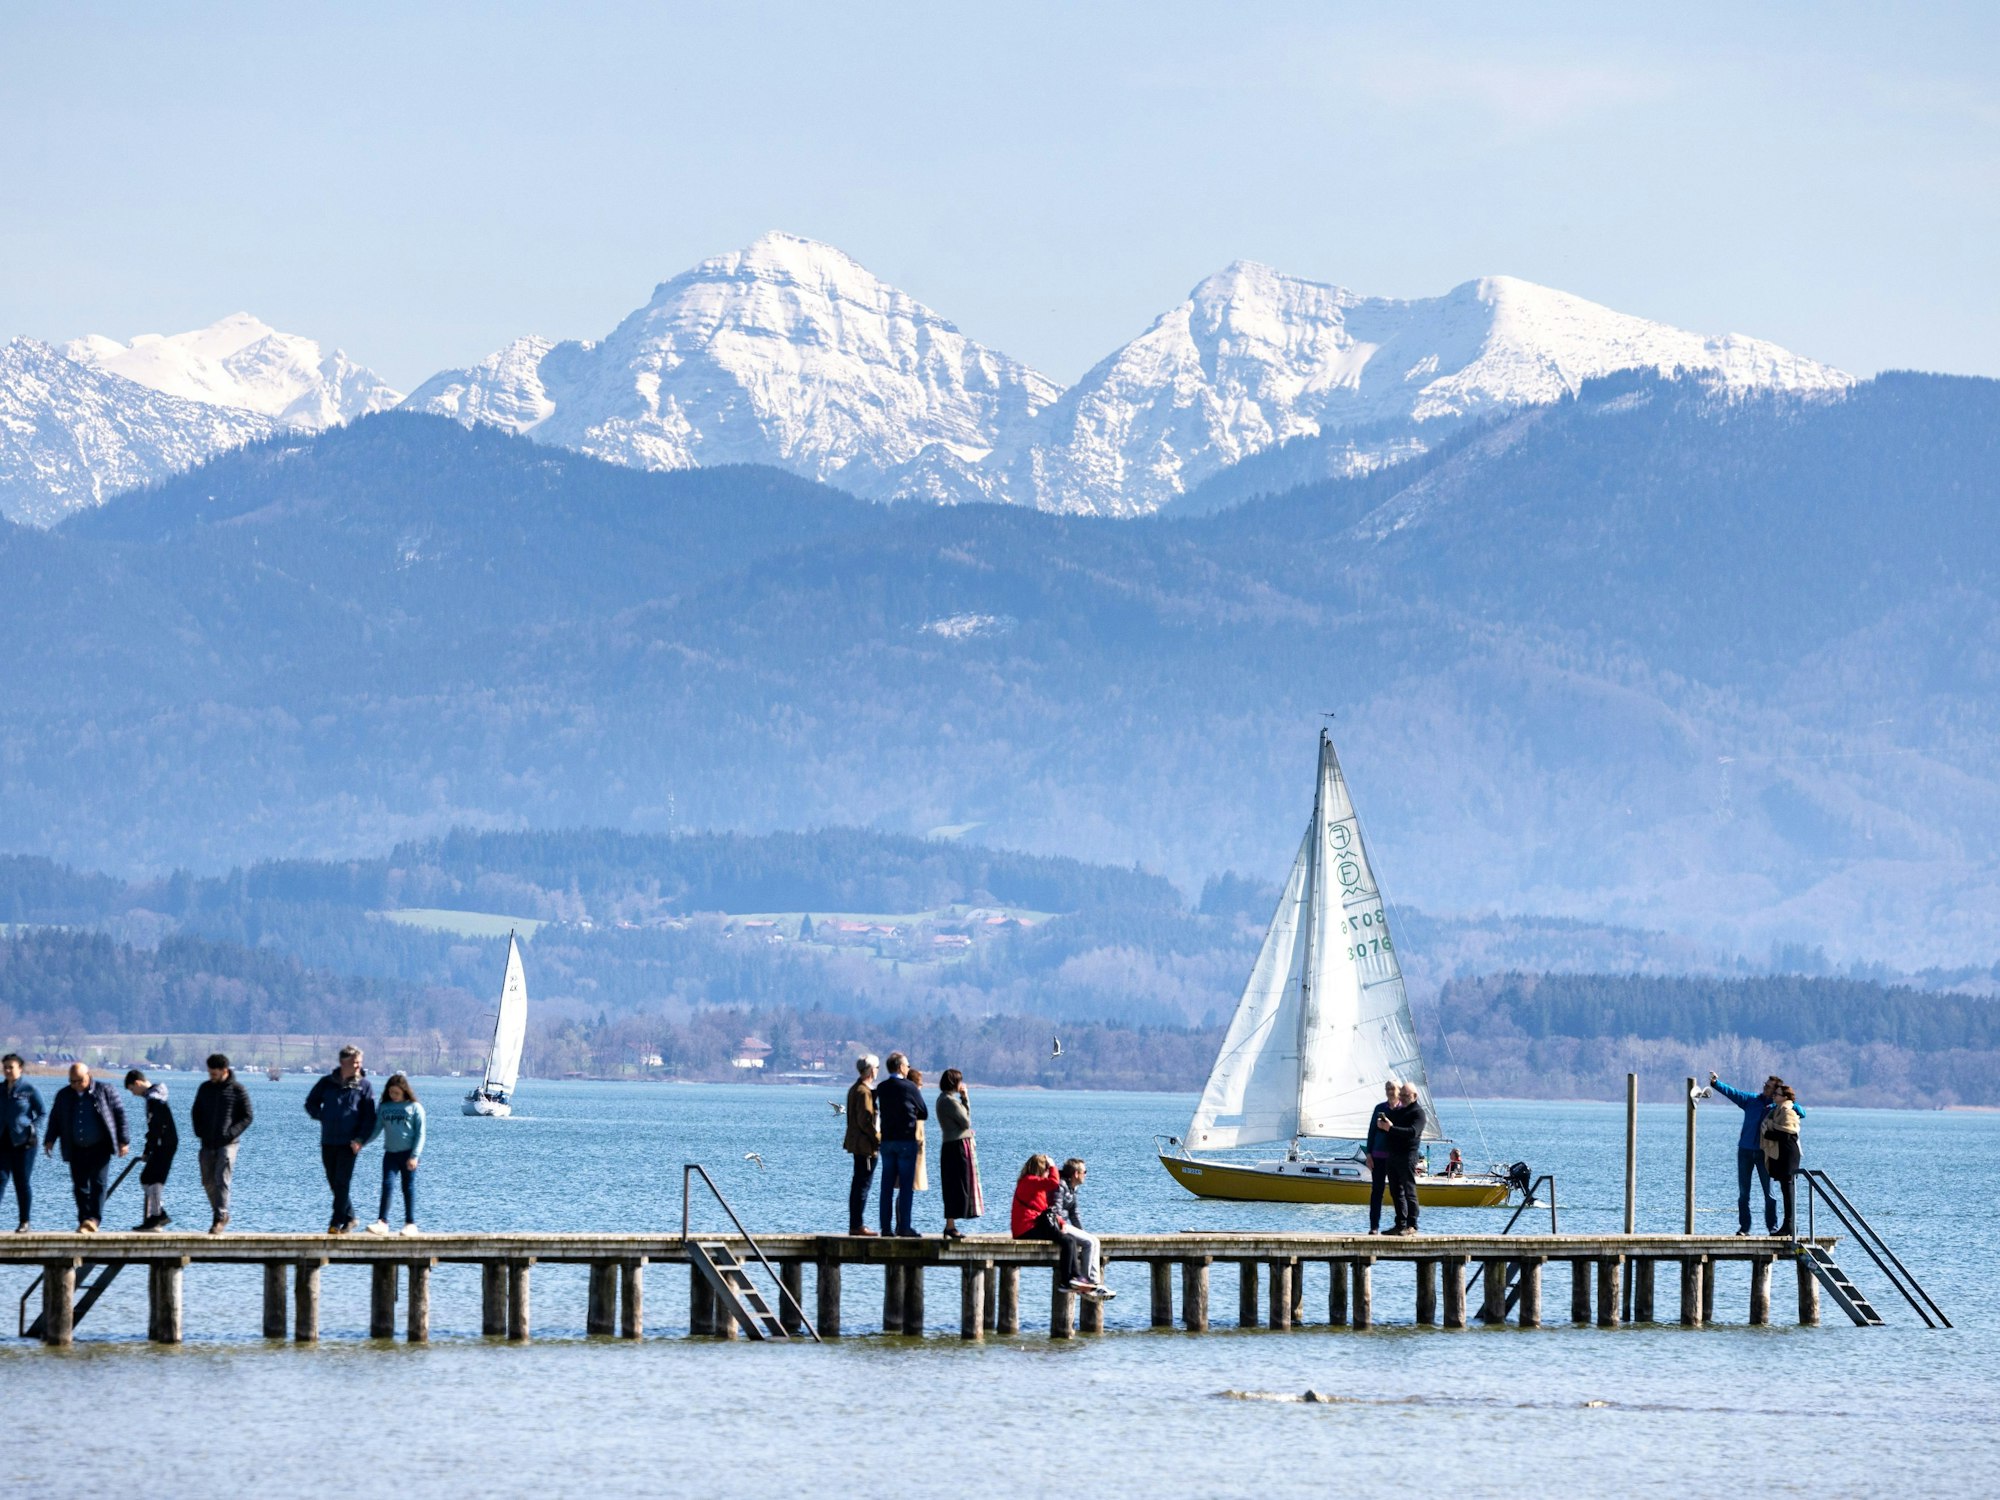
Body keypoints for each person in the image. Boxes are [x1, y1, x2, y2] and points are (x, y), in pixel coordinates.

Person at [1709, 1072, 1806, 1236]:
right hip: (1745, 1151)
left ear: (1776, 1091)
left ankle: (1773, 1227)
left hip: (1765, 1153)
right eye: (1765, 1085)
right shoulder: (1751, 1100)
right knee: (1743, 1193)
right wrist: (1716, 1084)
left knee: (1770, 1194)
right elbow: (1733, 1093)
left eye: (1768, 1087)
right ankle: (1744, 1228)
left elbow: (1801, 1113)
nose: (1764, 1088)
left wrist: (1788, 1101)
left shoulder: (1778, 1107)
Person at [41, 1062, 128, 1232]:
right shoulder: (64, 1095)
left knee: (98, 1183)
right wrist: (49, 1139)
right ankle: (83, 1220)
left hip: (100, 1146)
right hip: (76, 1147)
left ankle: (94, 1219)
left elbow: (120, 1114)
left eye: (79, 1081)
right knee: (80, 1186)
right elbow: (55, 1119)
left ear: (88, 1076)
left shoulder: (105, 1090)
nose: (75, 1085)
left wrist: (123, 1140)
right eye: (72, 1081)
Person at [304, 1045, 377, 1233]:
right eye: (354, 1062)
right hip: (328, 1140)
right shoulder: (326, 1083)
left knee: (342, 1182)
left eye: (360, 1062)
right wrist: (322, 1116)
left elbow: (370, 1118)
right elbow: (310, 1103)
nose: (358, 1066)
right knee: (333, 1182)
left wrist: (360, 1139)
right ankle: (351, 1217)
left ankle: (335, 1223)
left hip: (350, 1143)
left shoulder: (364, 1086)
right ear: (343, 1062)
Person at [1010, 1152, 1096, 1297]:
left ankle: (1074, 1278)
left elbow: (1044, 1209)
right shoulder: (1029, 1181)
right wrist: (1053, 1166)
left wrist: (1061, 1222)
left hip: (1032, 1226)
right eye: (1047, 1169)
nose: (1049, 1172)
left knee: (1069, 1239)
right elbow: (1053, 1183)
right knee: (1068, 1241)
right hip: (1026, 1229)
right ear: (1041, 1169)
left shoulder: (1033, 1184)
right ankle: (1067, 1280)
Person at [190, 1052, 254, 1234]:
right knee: (207, 1181)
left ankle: (219, 1217)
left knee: (222, 1179)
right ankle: (220, 1213)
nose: (211, 1077)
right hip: (206, 1142)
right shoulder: (204, 1088)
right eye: (209, 1073)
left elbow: (247, 1116)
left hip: (228, 1143)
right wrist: (199, 1131)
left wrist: (231, 1133)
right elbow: (196, 1112)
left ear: (224, 1070)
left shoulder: (238, 1090)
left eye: (214, 1074)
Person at [873, 1052, 927, 1237]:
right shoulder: (910, 1087)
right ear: (900, 1067)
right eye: (907, 1065)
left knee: (886, 1187)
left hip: (887, 1141)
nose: (908, 1068)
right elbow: (924, 1111)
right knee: (905, 1186)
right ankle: (904, 1226)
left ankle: (886, 1228)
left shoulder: (882, 1087)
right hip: (906, 1140)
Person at [365, 1073, 426, 1236]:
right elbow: (376, 1129)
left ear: (404, 1091)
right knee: (387, 1185)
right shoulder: (384, 1107)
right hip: (390, 1154)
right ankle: (382, 1222)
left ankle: (410, 1223)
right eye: (391, 1092)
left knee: (408, 1187)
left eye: (397, 1093)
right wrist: (360, 1142)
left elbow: (421, 1134)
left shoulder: (415, 1107)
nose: (394, 1096)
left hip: (408, 1155)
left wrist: (415, 1156)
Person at [123, 1068, 179, 1231]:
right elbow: (154, 1126)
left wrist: (149, 1148)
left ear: (138, 1083)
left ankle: (157, 1216)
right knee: (148, 1177)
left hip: (164, 1143)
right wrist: (149, 1147)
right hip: (163, 1142)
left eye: (132, 1089)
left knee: (152, 1178)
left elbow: (156, 1126)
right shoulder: (155, 1096)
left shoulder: (154, 1099)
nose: (133, 1094)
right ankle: (157, 1215)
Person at [935, 1068, 983, 1240]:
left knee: (952, 1185)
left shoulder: (942, 1100)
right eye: (959, 1081)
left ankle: (950, 1224)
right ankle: (950, 1225)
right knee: (957, 1185)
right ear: (954, 1083)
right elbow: (966, 1122)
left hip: (950, 1145)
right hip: (956, 1147)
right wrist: (965, 1098)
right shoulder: (950, 1101)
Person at [1, 1054, 45, 1232]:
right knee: (0, 1180)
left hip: (24, 1143)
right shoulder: (0, 1089)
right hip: (2, 1142)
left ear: (20, 1068)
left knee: (22, 1182)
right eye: (5, 1067)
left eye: (11, 1067)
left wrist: (32, 1128)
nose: (7, 1070)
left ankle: (24, 1222)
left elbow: (42, 1113)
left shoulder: (29, 1089)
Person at [1057, 1157, 1113, 1297]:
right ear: (1076, 1173)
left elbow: (1074, 1215)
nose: (1086, 1175)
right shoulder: (1061, 1186)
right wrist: (1063, 1226)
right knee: (1089, 1242)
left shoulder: (1072, 1188)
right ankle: (1088, 1281)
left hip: (1064, 1224)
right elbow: (1055, 1211)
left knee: (1093, 1240)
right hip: (1058, 1225)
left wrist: (1082, 1233)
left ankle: (1094, 1283)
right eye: (1085, 1172)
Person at [1381, 1082, 1427, 1235]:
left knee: (1409, 1191)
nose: (1403, 1098)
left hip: (1408, 1156)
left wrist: (1391, 1128)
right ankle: (1400, 1224)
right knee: (1395, 1191)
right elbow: (1390, 1126)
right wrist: (1384, 1123)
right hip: (1393, 1155)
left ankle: (1412, 1225)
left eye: (1406, 1095)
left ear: (1414, 1096)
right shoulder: (1399, 1111)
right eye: (1401, 1095)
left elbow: (1413, 1131)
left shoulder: (1418, 1113)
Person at [842, 1054, 881, 1236]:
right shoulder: (864, 1092)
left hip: (856, 1143)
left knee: (858, 1184)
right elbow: (866, 1120)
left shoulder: (854, 1089)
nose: (878, 1071)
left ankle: (855, 1223)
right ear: (871, 1070)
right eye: (877, 1068)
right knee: (862, 1185)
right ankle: (857, 1225)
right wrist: (878, 1138)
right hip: (865, 1146)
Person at [1762, 1083, 1803, 1238]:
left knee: (1789, 1190)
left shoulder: (1788, 1111)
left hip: (1789, 1156)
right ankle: (1788, 1225)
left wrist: (1768, 1133)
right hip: (1782, 1155)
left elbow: (1789, 1134)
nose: (1774, 1096)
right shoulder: (1777, 1111)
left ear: (1785, 1097)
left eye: (1777, 1094)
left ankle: (1790, 1225)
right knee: (1785, 1191)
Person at [1364, 1080, 1398, 1233]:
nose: (1390, 1091)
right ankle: (1374, 1227)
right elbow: (1371, 1133)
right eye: (1387, 1089)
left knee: (1397, 1192)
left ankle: (1401, 1225)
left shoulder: (1403, 1110)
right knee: (1376, 1192)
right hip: (1377, 1157)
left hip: (1395, 1158)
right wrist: (1369, 1154)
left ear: (1399, 1091)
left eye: (1392, 1088)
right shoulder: (1379, 1108)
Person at [907, 1067, 930, 1194]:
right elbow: (924, 1113)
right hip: (915, 1140)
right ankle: (903, 1213)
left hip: (909, 1139)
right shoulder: (915, 1096)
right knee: (909, 1184)